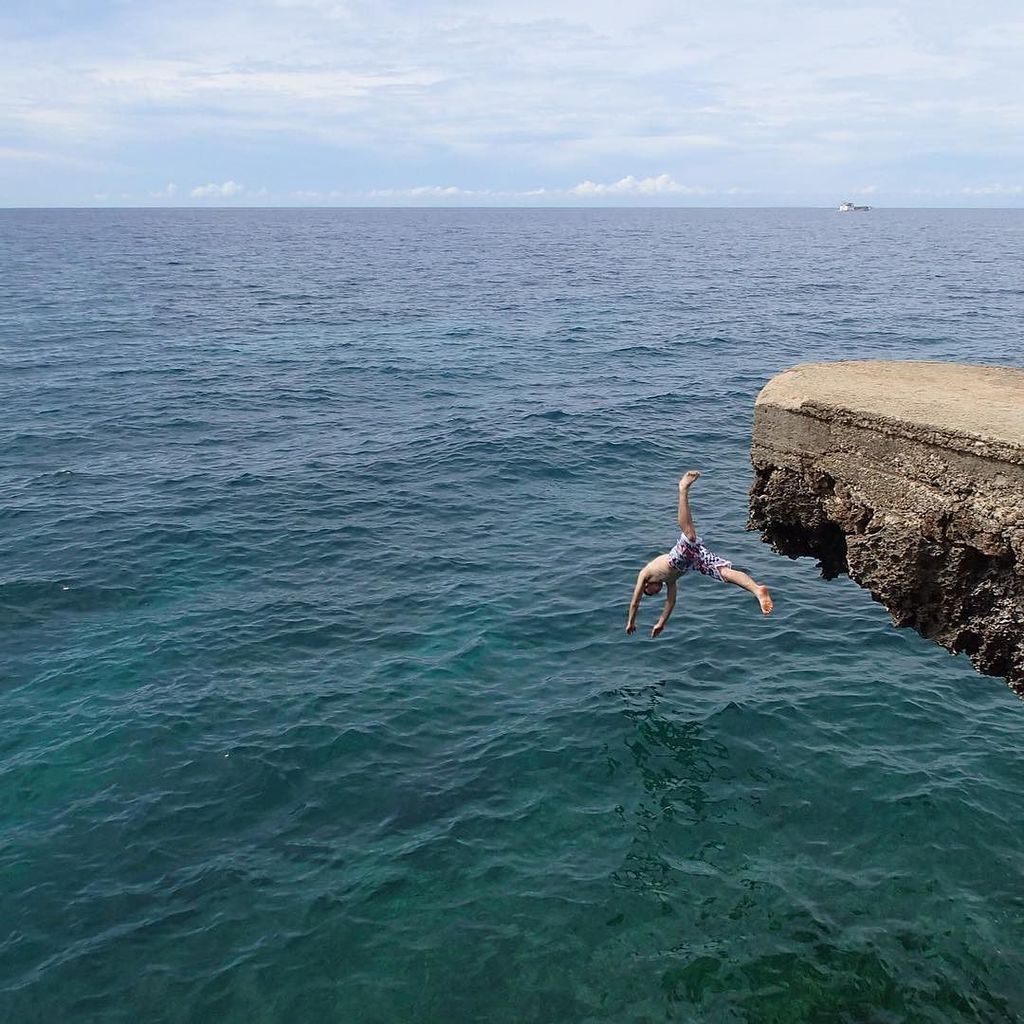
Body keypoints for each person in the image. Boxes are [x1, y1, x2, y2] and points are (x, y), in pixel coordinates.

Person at [626, 471, 773, 638]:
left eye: (651, 592)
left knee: (690, 535)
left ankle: (682, 489)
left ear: (647, 586)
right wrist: (661, 623)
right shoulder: (670, 580)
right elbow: (671, 602)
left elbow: (635, 602)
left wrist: (631, 621)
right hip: (693, 561)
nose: (656, 592)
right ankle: (757, 590)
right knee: (723, 572)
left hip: (678, 557)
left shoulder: (645, 573)